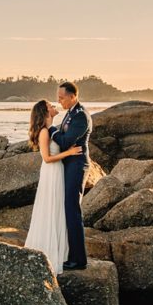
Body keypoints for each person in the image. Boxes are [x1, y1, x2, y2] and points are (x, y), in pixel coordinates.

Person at [23, 99, 82, 275]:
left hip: (58, 171)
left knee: (58, 210)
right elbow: (47, 158)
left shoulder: (52, 129)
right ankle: (49, 253)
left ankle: (61, 252)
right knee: (51, 209)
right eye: (50, 105)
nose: (54, 105)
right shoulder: (43, 132)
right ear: (45, 111)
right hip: (51, 172)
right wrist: (69, 153)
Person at [48, 81, 92, 270]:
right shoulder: (70, 114)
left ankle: (78, 259)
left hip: (77, 165)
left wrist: (50, 128)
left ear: (73, 96)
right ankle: (70, 254)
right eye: (58, 98)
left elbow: (65, 141)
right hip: (69, 165)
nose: (59, 101)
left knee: (72, 210)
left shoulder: (81, 116)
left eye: (62, 97)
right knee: (68, 210)